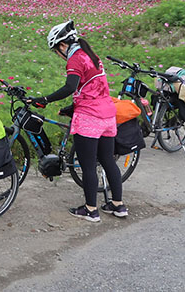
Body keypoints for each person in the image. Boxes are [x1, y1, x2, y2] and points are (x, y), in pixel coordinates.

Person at [29, 20, 127, 222]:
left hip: (90, 118)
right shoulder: (92, 56)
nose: (58, 55)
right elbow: (92, 88)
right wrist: (72, 107)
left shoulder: (75, 59)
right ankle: (118, 205)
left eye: (56, 51)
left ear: (62, 45)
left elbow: (70, 87)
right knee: (108, 160)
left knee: (88, 166)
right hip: (108, 114)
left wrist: (45, 99)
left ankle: (91, 210)